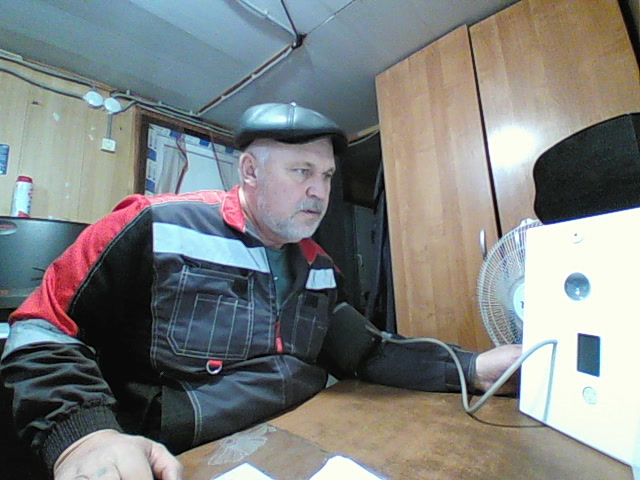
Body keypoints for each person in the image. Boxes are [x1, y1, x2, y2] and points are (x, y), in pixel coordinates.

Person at [0, 102, 521, 480]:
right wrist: (85, 436)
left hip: (301, 438)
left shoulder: (319, 267)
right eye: (302, 172)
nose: (319, 191)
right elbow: (42, 329)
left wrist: (473, 367)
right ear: (249, 171)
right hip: (183, 457)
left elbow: (367, 352)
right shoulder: (156, 226)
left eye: (326, 176)